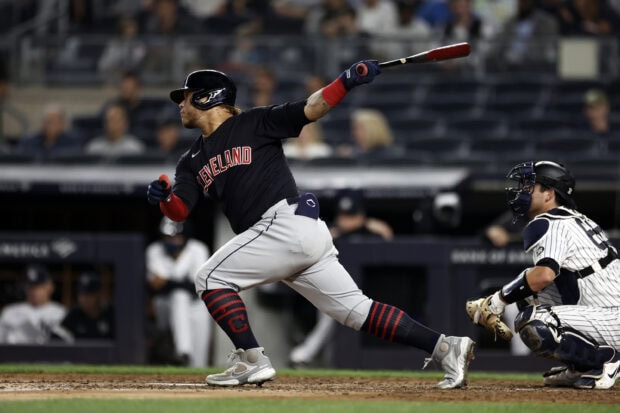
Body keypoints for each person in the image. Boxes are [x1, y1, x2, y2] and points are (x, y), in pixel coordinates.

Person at [146, 61, 475, 388]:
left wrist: (346, 82)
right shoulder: (190, 161)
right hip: (293, 233)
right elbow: (180, 211)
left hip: (283, 223)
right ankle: (446, 347)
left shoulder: (254, 122)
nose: (180, 104)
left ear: (207, 97)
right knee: (356, 311)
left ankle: (251, 359)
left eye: (186, 96)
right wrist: (164, 198)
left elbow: (311, 109)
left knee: (209, 277)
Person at [466, 161, 620, 390]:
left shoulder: (549, 222)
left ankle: (606, 359)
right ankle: (581, 366)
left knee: (533, 322)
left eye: (530, 187)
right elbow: (537, 281)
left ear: (549, 194)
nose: (523, 191)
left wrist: (497, 300)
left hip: (612, 317)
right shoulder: (573, 218)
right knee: (527, 297)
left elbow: (544, 275)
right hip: (605, 309)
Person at [289, 188, 393, 367]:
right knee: (330, 306)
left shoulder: (372, 233)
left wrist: (370, 226)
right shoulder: (329, 235)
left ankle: (306, 354)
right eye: (343, 215)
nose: (346, 220)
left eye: (351, 215)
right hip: (335, 294)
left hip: (369, 291)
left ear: (361, 216)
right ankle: (306, 355)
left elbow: (389, 240)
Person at [146, 217, 212, 367]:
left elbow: (197, 286)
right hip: (164, 305)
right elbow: (155, 286)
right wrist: (181, 284)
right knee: (179, 296)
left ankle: (185, 355)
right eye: (168, 237)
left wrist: (168, 281)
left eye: (176, 237)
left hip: (196, 306)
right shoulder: (154, 250)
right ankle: (183, 351)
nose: (172, 241)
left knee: (199, 362)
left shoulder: (198, 249)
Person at [0, 264, 68, 344]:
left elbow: (68, 343)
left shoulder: (61, 312)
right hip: (16, 354)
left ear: (50, 286)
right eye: (30, 287)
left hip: (48, 355)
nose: (34, 291)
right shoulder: (10, 311)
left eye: (39, 286)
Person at [61, 271, 115, 340]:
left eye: (88, 295)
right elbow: (57, 339)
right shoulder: (75, 314)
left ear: (99, 295)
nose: (83, 299)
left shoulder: (111, 313)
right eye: (81, 294)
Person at [15, 104, 81, 159]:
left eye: (55, 122)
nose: (52, 125)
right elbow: (19, 159)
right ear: (43, 123)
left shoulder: (72, 142)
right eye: (49, 121)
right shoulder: (29, 141)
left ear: (62, 124)